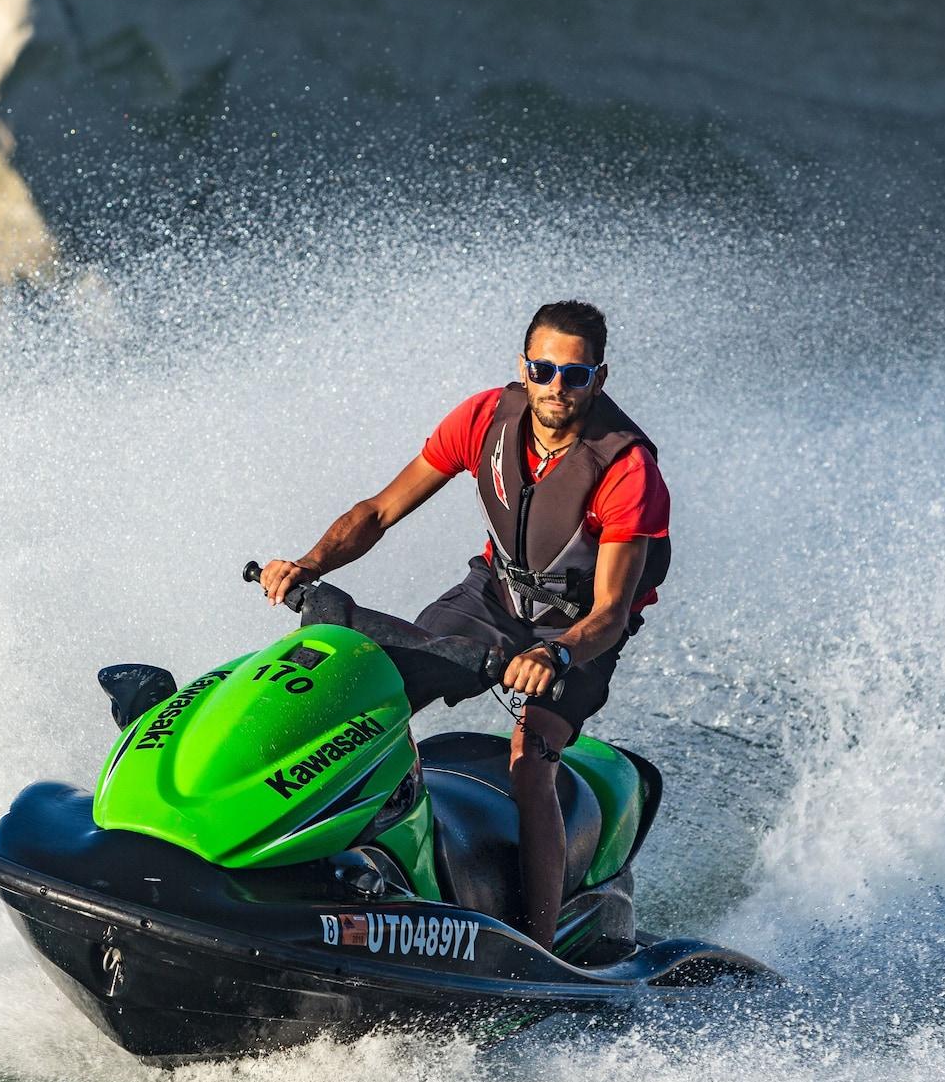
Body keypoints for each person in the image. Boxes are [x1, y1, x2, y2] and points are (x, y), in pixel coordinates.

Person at [257, 300, 671, 946]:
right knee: (374, 689)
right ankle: (310, 854)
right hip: (494, 594)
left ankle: (535, 948)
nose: (556, 386)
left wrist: (556, 655)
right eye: (543, 370)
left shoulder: (626, 469)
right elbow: (379, 511)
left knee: (530, 760)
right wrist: (309, 563)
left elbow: (611, 612)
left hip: (575, 630)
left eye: (575, 374)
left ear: (599, 377)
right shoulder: (483, 419)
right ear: (524, 367)